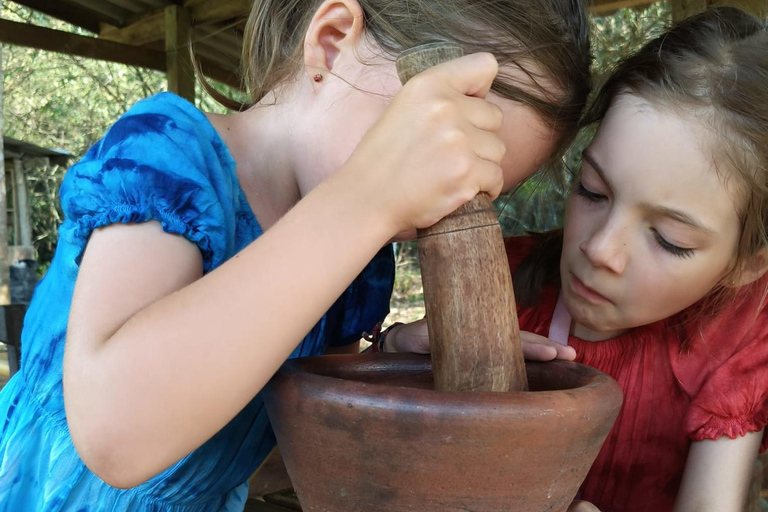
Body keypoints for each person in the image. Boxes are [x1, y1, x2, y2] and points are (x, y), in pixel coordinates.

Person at [0, 0, 592, 510]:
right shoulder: (170, 159)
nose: (439, 211)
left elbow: (293, 439)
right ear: (332, 44)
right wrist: (367, 196)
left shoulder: (361, 264)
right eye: (440, 158)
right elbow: (114, 433)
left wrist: (392, 362)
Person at [391, 7, 768, 512]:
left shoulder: (738, 341)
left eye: (670, 239)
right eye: (592, 191)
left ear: (747, 264)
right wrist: (393, 348)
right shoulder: (494, 281)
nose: (600, 250)